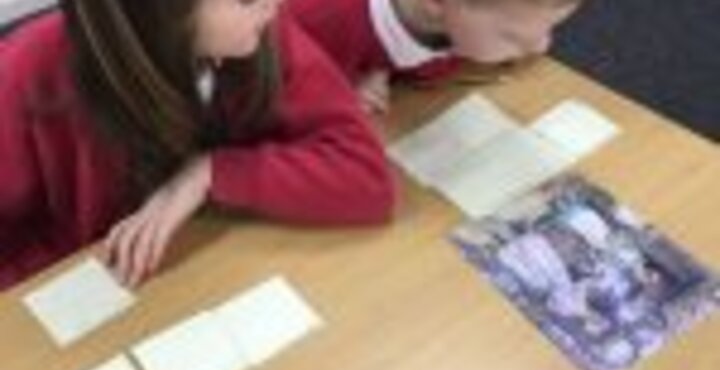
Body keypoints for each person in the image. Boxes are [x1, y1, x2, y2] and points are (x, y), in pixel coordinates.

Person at [0, 0, 395, 291]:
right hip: (86, 301)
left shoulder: (262, 32)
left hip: (197, 277)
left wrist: (211, 172)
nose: (275, 3)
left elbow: (367, 177)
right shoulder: (25, 73)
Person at [288, 0, 584, 113]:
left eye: (552, 28)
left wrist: (381, 68)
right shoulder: (318, 19)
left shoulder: (457, 25)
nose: (542, 47)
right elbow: (265, 82)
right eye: (511, 37)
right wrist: (332, 88)